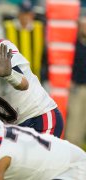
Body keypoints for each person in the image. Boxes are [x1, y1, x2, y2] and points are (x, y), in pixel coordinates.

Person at [0, 0, 48, 82]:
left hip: (35, 77)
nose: (25, 17)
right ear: (18, 14)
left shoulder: (40, 28)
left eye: (28, 14)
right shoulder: (7, 28)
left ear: (32, 15)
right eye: (23, 14)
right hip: (13, 77)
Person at [65, 16, 86, 149]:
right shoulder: (74, 45)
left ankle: (78, 146)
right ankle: (71, 146)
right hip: (77, 86)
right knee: (74, 118)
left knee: (83, 119)